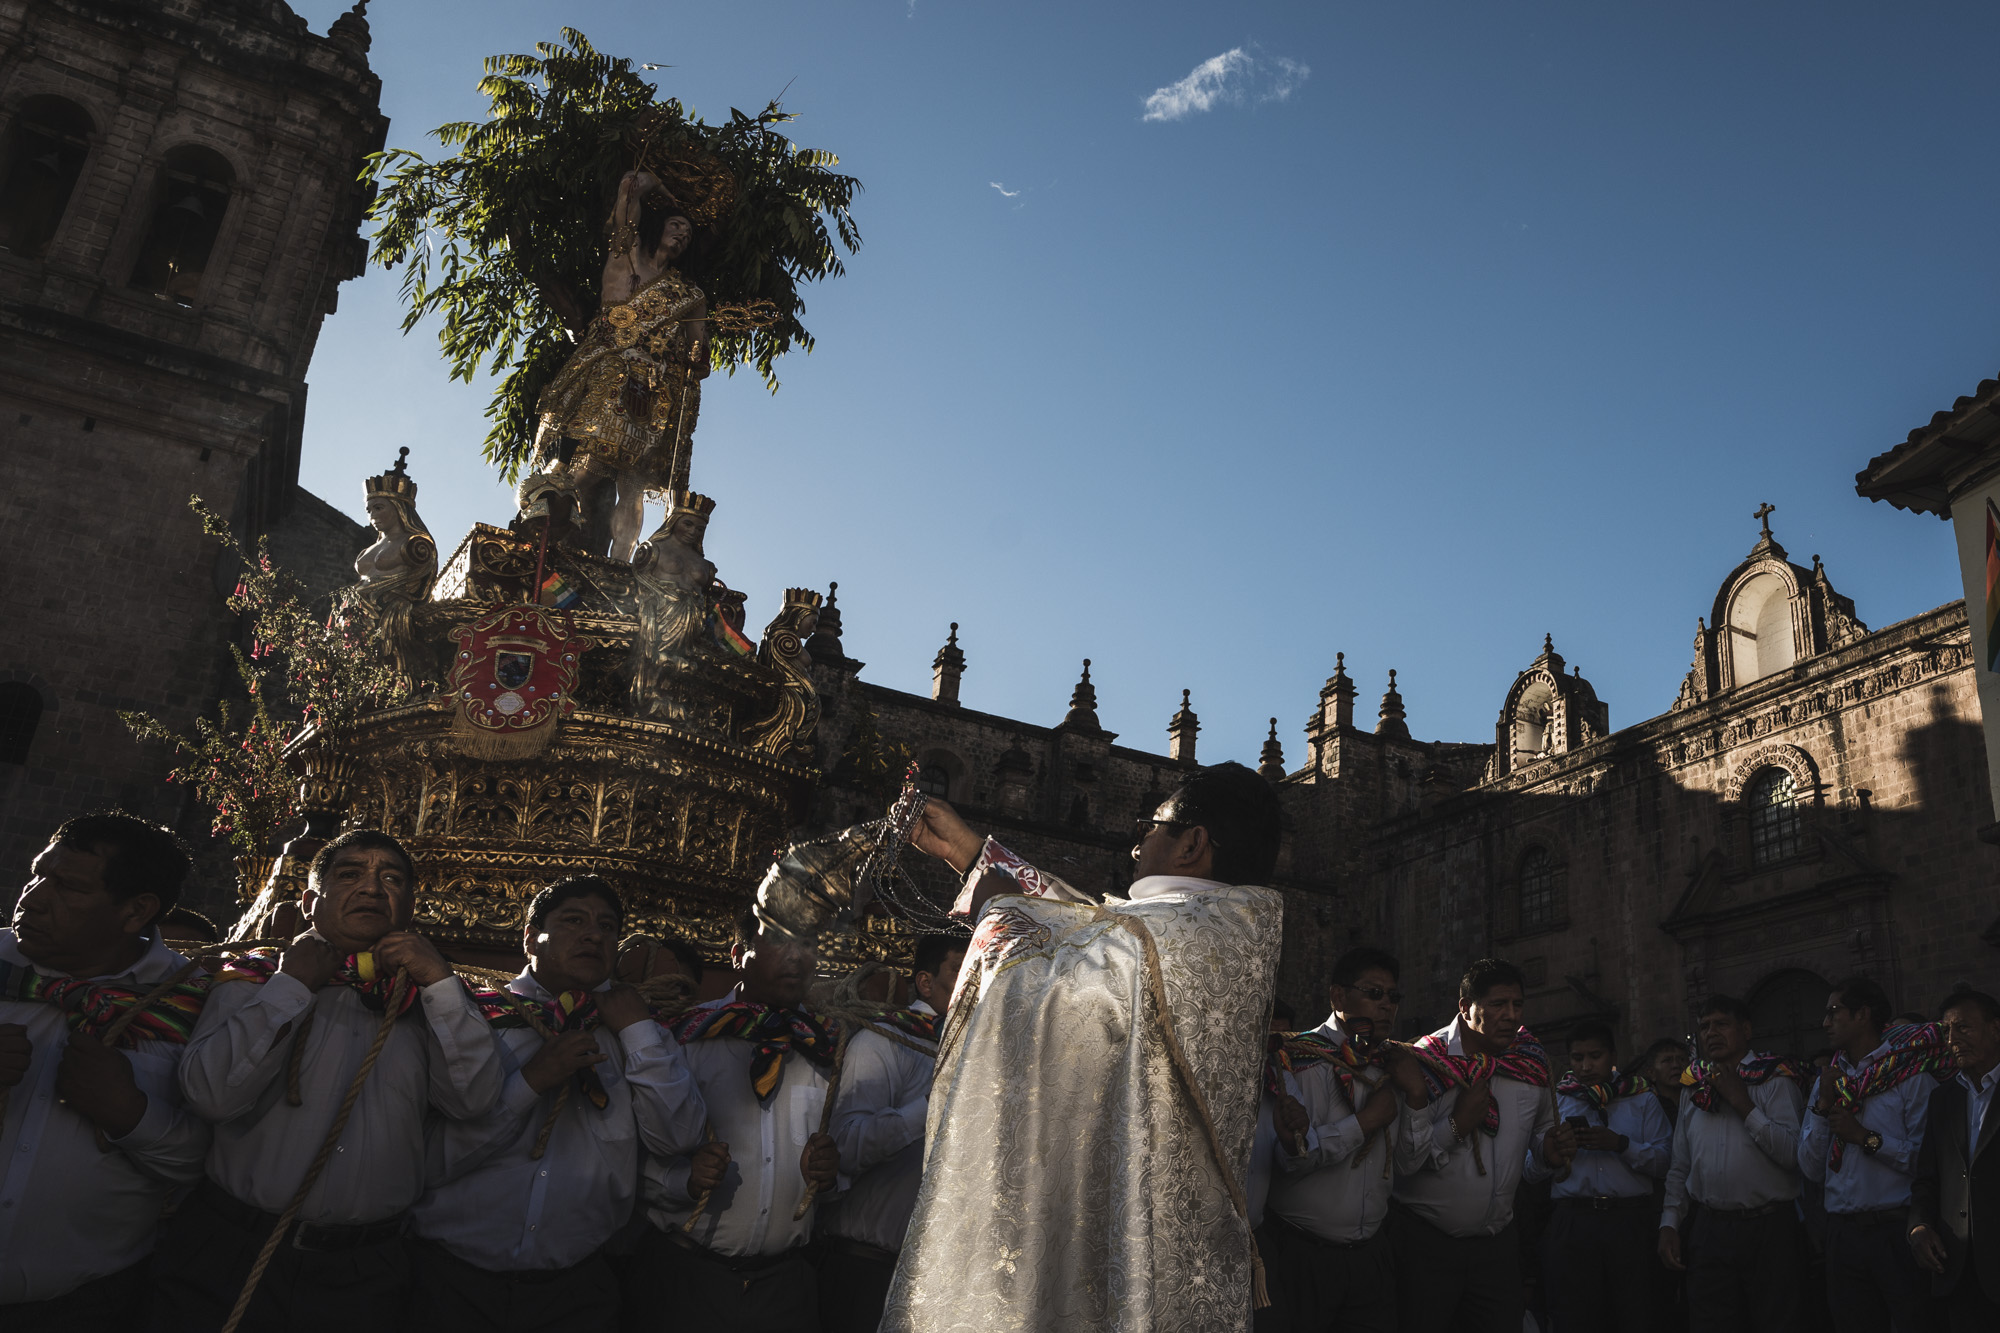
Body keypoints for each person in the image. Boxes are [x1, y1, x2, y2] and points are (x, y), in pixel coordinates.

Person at [882, 762, 1286, 1333]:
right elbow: (1086, 924)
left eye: (1151, 825)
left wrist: (1000, 916)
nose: (1137, 843)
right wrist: (974, 856)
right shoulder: (1209, 924)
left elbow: (1059, 988)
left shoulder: (1181, 936)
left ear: (1193, 844)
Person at [157, 829, 505, 1331]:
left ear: (410, 907)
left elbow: (473, 1101)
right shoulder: (255, 979)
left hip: (368, 1266)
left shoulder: (435, 1001)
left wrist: (440, 982)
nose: (372, 888)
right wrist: (294, 985)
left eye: (392, 879)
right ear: (309, 902)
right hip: (232, 1246)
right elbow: (212, 1097)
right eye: (349, 874)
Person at [410, 876, 710, 1331]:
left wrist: (636, 1031)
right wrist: (530, 1081)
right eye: (573, 921)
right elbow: (431, 1161)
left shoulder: (639, 1035)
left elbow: (679, 1137)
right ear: (531, 939)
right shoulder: (476, 1020)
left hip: (578, 1289)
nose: (593, 935)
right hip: (452, 1282)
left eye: (607, 927)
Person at [0, 813, 209, 1329]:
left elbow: (209, 1168)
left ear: (137, 910)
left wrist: (131, 1115)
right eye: (38, 874)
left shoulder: (194, 1004)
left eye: (68, 887)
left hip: (87, 1308)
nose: (33, 898)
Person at [632, 907, 841, 1332]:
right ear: (736, 955)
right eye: (778, 941)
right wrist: (684, 1181)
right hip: (689, 1277)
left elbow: (848, 1163)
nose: (796, 956)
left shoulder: (828, 1047)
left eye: (807, 944)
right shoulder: (683, 1037)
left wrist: (832, 1174)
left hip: (787, 1287)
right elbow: (630, 1152)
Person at [1390, 957, 1575, 1333]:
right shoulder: (1425, 1062)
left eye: (1517, 1005)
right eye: (1498, 1004)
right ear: (1465, 1007)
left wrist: (1547, 1154)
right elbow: (1403, 1162)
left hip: (1497, 1248)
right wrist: (1457, 1126)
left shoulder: (1530, 1064)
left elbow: (1537, 1144)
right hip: (1424, 1245)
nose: (1511, 1015)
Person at [1261, 946, 1429, 1333]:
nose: (1387, 1005)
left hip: (1372, 1256)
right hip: (1303, 1256)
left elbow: (1408, 1166)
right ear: (1338, 996)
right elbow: (1292, 1159)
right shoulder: (1294, 1059)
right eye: (1374, 993)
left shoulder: (1394, 1066)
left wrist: (1417, 1097)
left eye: (1393, 996)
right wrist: (1366, 1121)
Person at [817, 932, 967, 1333]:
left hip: (935, 1279)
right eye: (960, 970)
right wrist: (932, 1105)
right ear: (925, 983)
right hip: (864, 1269)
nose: (974, 981)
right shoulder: (884, 1040)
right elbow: (847, 1146)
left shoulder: (976, 1052)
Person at [1798, 976, 1945, 1333]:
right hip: (1842, 1235)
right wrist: (1822, 1106)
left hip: (1896, 1231)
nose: (1825, 1022)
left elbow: (1927, 1162)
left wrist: (1865, 1138)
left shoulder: (1909, 1076)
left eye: (1834, 1012)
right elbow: (1811, 1168)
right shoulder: (1829, 1081)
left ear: (1863, 1014)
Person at [1657, 994, 1808, 1333]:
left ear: (1746, 1030)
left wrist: (1742, 1102)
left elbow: (1792, 1155)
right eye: (1704, 1027)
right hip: (1709, 1228)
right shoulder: (1693, 1087)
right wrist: (1670, 1222)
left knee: (1778, 1322)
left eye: (1721, 1024)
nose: (1711, 1033)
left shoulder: (1774, 1080)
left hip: (1769, 1227)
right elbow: (1680, 1163)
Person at [1541, 1022, 1671, 1333]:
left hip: (1629, 1223)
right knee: (1575, 1317)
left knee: (1634, 1314)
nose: (1585, 1066)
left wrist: (1621, 1145)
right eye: (1577, 1058)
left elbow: (1666, 1162)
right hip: (1573, 1222)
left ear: (1613, 1056)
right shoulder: (1556, 1102)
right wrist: (1553, 1154)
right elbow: (1530, 1168)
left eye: (1594, 1056)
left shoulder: (1642, 1099)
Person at [1909, 988, 2000, 1331]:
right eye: (1946, 1031)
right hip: (1959, 1272)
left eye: (1963, 1028)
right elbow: (1927, 1178)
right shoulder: (1943, 1098)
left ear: (1995, 1029)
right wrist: (1919, 1226)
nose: (1952, 1040)